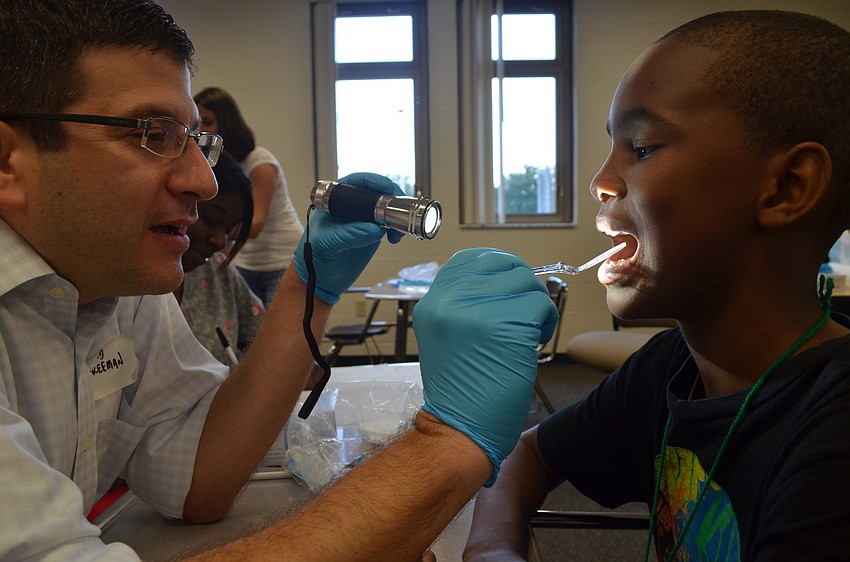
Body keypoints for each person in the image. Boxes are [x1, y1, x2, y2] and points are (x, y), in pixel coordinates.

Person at [0, 1, 558, 560]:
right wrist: (448, 444)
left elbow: (199, 477)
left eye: (196, 139)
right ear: (7, 161)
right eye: (153, 133)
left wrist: (307, 288)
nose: (204, 181)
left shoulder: (113, 282)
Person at [463, 10, 850, 562]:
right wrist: (492, 550)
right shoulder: (672, 365)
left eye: (641, 147)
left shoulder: (831, 445)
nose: (601, 181)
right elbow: (530, 455)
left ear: (788, 186)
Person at [193, 86, 304, 307]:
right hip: (245, 263)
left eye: (208, 122)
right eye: (197, 124)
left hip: (282, 260)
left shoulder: (259, 161)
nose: (201, 131)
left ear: (227, 122)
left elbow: (254, 224)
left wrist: (203, 231)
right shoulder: (214, 166)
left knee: (280, 335)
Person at [175, 150, 265, 366]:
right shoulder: (132, 288)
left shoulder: (217, 272)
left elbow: (266, 336)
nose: (219, 241)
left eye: (228, 230)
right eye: (212, 219)